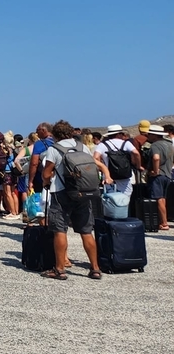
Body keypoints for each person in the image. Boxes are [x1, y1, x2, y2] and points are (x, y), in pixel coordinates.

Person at [41, 120, 113, 280]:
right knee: (86, 231)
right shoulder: (83, 147)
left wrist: (46, 182)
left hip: (61, 193)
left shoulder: (54, 149)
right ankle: (95, 268)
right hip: (83, 193)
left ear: (55, 135)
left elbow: (46, 174)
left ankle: (59, 269)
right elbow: (98, 165)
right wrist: (107, 175)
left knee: (59, 230)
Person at [144, 125, 172, 230]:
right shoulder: (169, 144)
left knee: (159, 198)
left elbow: (156, 158)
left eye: (149, 134)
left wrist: (155, 171)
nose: (148, 136)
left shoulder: (155, 145)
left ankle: (164, 223)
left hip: (158, 175)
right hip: (168, 174)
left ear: (154, 135)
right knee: (163, 198)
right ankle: (163, 220)